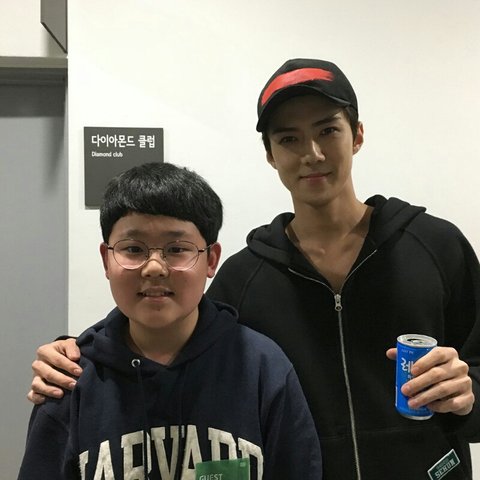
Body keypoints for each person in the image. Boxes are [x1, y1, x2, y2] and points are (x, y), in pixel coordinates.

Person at [28, 59, 480, 479]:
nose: (312, 153)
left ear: (357, 135)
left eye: (328, 130)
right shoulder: (243, 278)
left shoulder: (436, 247)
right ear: (270, 154)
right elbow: (176, 342)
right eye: (289, 139)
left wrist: (469, 393)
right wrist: (78, 352)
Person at [18, 162, 322, 480]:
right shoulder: (69, 379)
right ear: (106, 259)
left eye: (177, 249)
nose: (154, 267)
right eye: (133, 249)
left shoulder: (262, 368)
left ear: (211, 260)